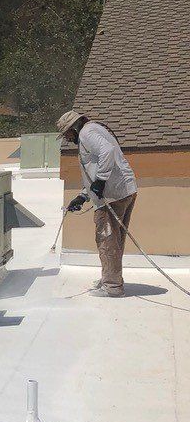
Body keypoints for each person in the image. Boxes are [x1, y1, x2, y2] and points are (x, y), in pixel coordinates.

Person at [56, 110, 138, 297]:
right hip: (124, 191)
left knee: (106, 240)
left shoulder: (87, 133)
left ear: (73, 128)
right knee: (115, 242)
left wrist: (101, 180)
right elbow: (94, 167)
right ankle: (112, 279)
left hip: (113, 195)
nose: (67, 138)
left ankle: (112, 287)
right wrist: (83, 196)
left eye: (67, 134)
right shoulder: (94, 130)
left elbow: (106, 153)